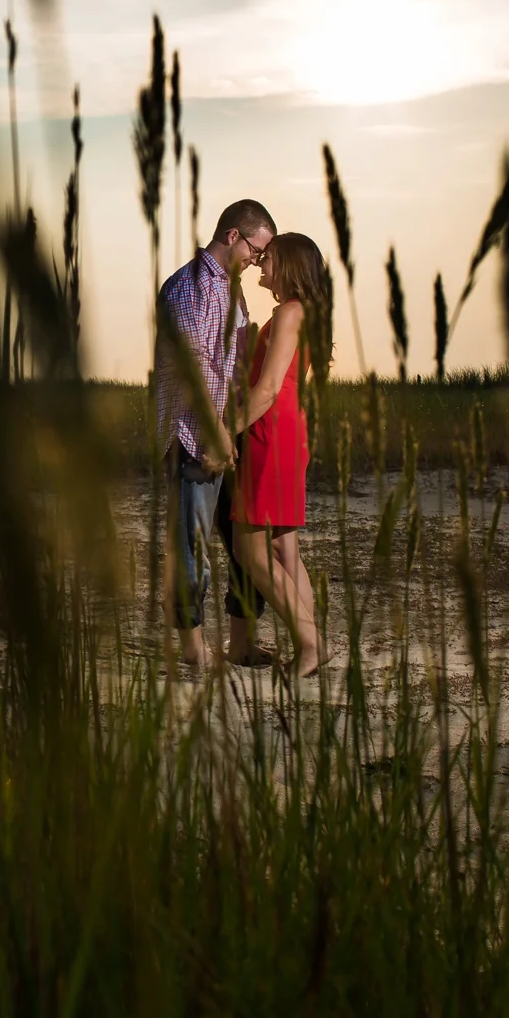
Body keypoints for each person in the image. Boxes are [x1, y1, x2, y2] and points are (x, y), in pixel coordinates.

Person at [155, 198, 277, 671]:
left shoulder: (232, 291)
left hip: (229, 435)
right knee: (191, 544)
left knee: (247, 540)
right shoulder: (188, 288)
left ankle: (242, 642)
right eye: (257, 249)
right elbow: (193, 369)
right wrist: (216, 434)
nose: (258, 260)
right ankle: (192, 649)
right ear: (233, 236)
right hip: (194, 437)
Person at [230, 231, 329, 677]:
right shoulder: (297, 313)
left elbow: (268, 389)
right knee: (282, 546)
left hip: (271, 432)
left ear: (287, 265)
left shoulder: (290, 313)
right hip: (287, 431)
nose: (261, 264)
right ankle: (313, 646)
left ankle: (310, 644)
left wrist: (223, 432)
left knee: (250, 551)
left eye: (269, 258)